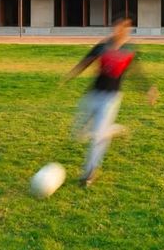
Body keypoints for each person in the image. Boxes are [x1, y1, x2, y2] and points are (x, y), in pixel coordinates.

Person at [64, 18, 157, 187]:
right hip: (93, 95)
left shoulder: (130, 50)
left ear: (128, 30)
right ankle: (114, 129)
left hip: (111, 99)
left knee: (98, 137)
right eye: (117, 27)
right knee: (79, 134)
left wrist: (148, 89)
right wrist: (71, 74)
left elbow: (136, 72)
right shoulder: (103, 46)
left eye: (124, 28)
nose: (120, 31)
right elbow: (86, 61)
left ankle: (89, 173)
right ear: (114, 28)